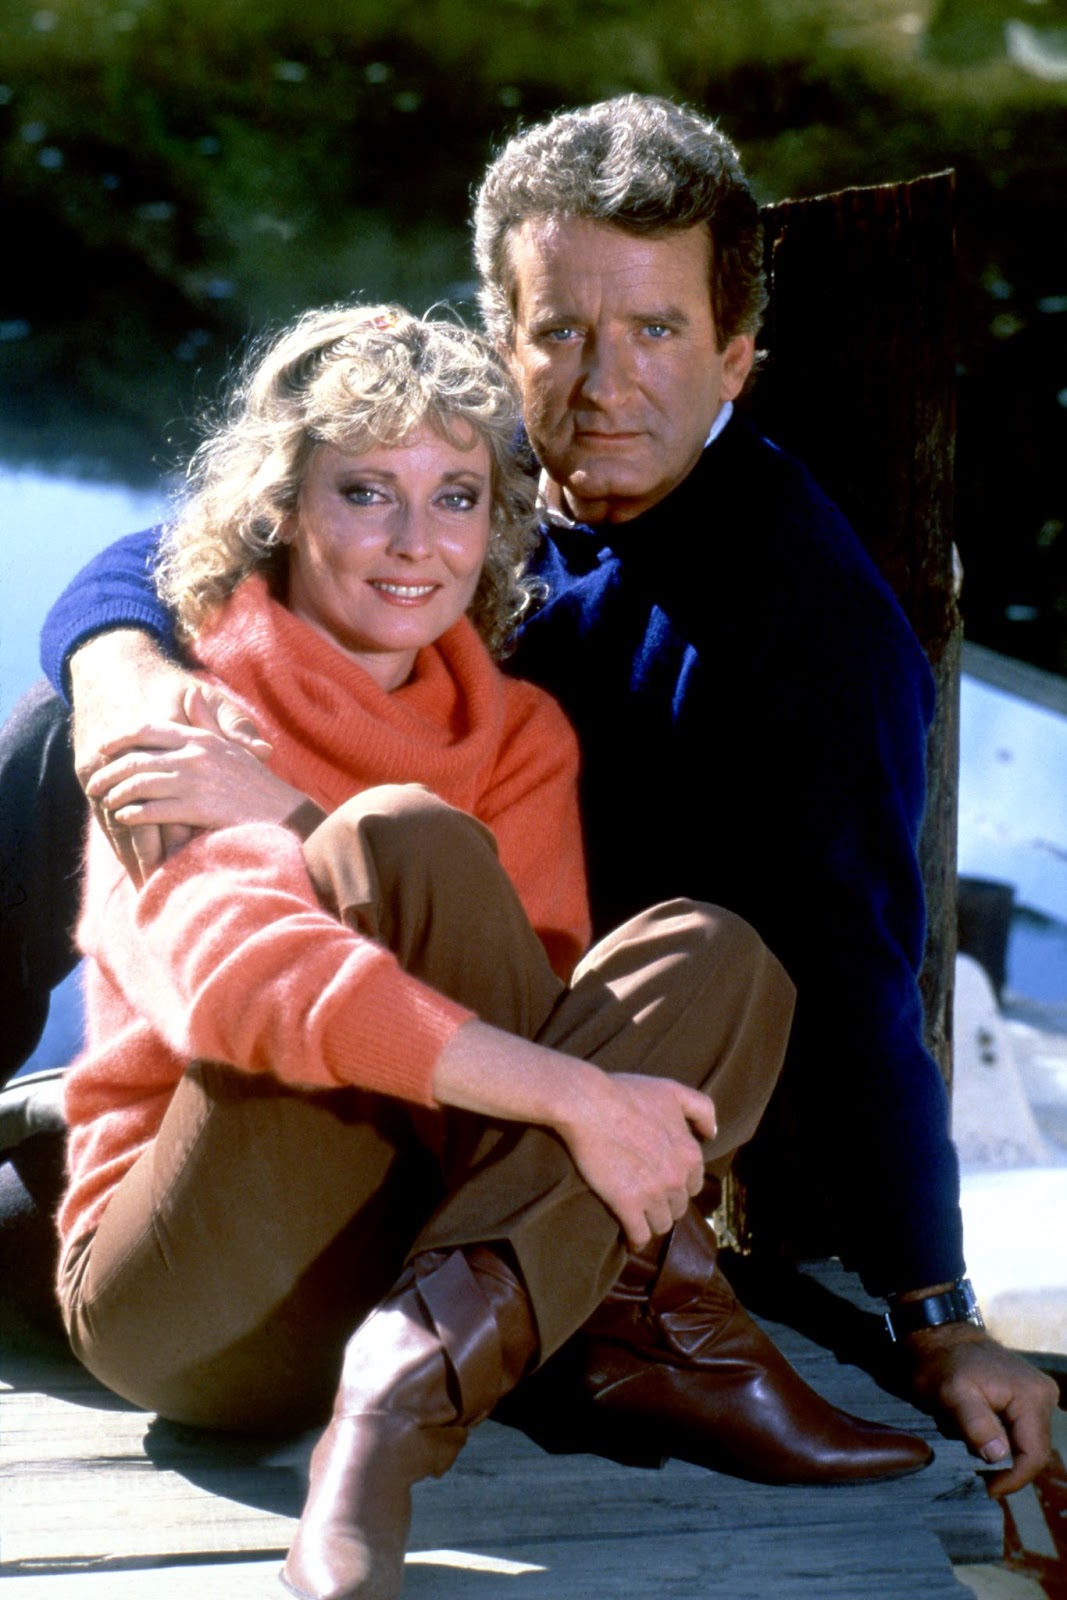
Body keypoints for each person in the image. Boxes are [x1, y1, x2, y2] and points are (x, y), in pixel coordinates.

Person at [3, 95, 1057, 1494]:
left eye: (659, 332)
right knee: (53, 732)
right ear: (506, 340)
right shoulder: (479, 480)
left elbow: (861, 967)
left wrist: (940, 1317)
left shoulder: (811, 632)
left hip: (492, 1098)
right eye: (561, 331)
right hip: (295, 1043)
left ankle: (623, 1315)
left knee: (671, 942)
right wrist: (125, 669)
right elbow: (177, 543)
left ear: (738, 354)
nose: (603, 383)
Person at [50, 305, 931, 1600]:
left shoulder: (518, 736)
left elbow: (536, 1024)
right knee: (403, 842)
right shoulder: (186, 706)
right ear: (282, 507)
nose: (416, 544)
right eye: (365, 492)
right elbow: (246, 985)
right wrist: (572, 1091)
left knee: (720, 956)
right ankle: (662, 1319)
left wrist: (563, 1078)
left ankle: (399, 1396)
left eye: (455, 495)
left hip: (415, 1260)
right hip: (189, 1293)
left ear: (495, 523)